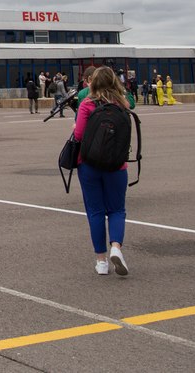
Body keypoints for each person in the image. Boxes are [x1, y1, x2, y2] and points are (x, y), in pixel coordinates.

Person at [72, 66, 131, 277]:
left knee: (95, 211)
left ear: (93, 82)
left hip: (89, 164)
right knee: (117, 210)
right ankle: (116, 247)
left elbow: (79, 135)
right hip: (116, 165)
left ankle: (101, 261)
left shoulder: (87, 104)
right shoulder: (122, 104)